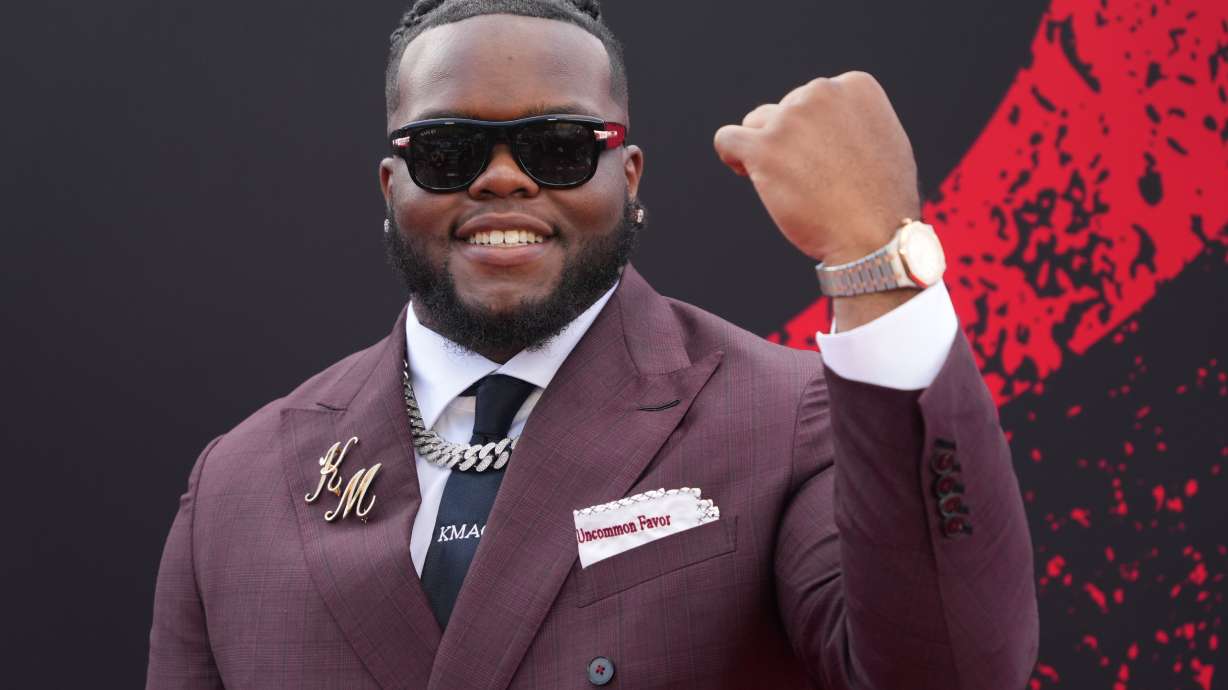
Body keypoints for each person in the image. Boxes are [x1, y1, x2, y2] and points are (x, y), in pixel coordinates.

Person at [146, 1, 1039, 688]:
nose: (504, 178)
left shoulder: (784, 419)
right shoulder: (237, 484)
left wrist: (876, 265)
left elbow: (949, 673)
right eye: (449, 151)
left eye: (560, 145)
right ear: (392, 185)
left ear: (629, 176)